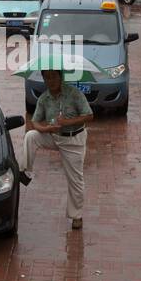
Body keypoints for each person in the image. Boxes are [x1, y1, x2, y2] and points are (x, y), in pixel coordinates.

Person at [22, 68, 94, 229]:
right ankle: (26, 171)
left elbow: (89, 115)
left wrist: (67, 122)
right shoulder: (44, 98)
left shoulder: (74, 94)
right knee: (31, 136)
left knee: (75, 180)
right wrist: (46, 129)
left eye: (53, 77)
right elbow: (35, 121)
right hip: (54, 137)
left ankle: (76, 216)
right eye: (47, 78)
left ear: (60, 77)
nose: (50, 81)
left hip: (73, 140)